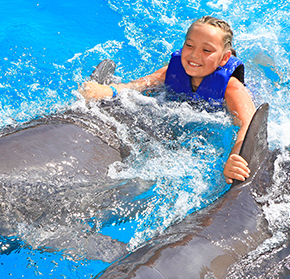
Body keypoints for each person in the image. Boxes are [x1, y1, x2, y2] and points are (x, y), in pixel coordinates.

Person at [79, 16, 256, 183]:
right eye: (189, 45)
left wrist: (236, 156)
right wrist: (106, 90)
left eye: (206, 50)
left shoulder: (232, 88)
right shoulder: (170, 71)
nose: (194, 55)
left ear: (224, 58)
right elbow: (135, 86)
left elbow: (248, 125)